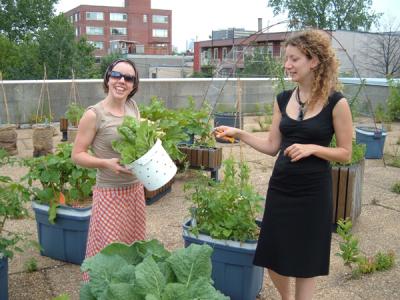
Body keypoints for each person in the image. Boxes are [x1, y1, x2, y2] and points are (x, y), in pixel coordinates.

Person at [215, 30, 353, 300]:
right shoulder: (282, 99)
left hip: (313, 192)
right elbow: (271, 146)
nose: (287, 65)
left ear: (313, 61)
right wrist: (240, 133)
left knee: (306, 261)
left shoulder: (337, 103)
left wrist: (313, 148)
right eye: (286, 59)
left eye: (294, 59)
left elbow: (346, 153)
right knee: (272, 255)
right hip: (282, 188)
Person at [72, 59, 145, 276]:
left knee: (133, 248)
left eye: (128, 78)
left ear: (134, 85)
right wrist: (104, 162)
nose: (122, 81)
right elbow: (77, 155)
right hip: (109, 193)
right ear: (108, 78)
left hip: (135, 191)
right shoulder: (94, 114)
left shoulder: (133, 108)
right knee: (108, 252)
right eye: (117, 75)